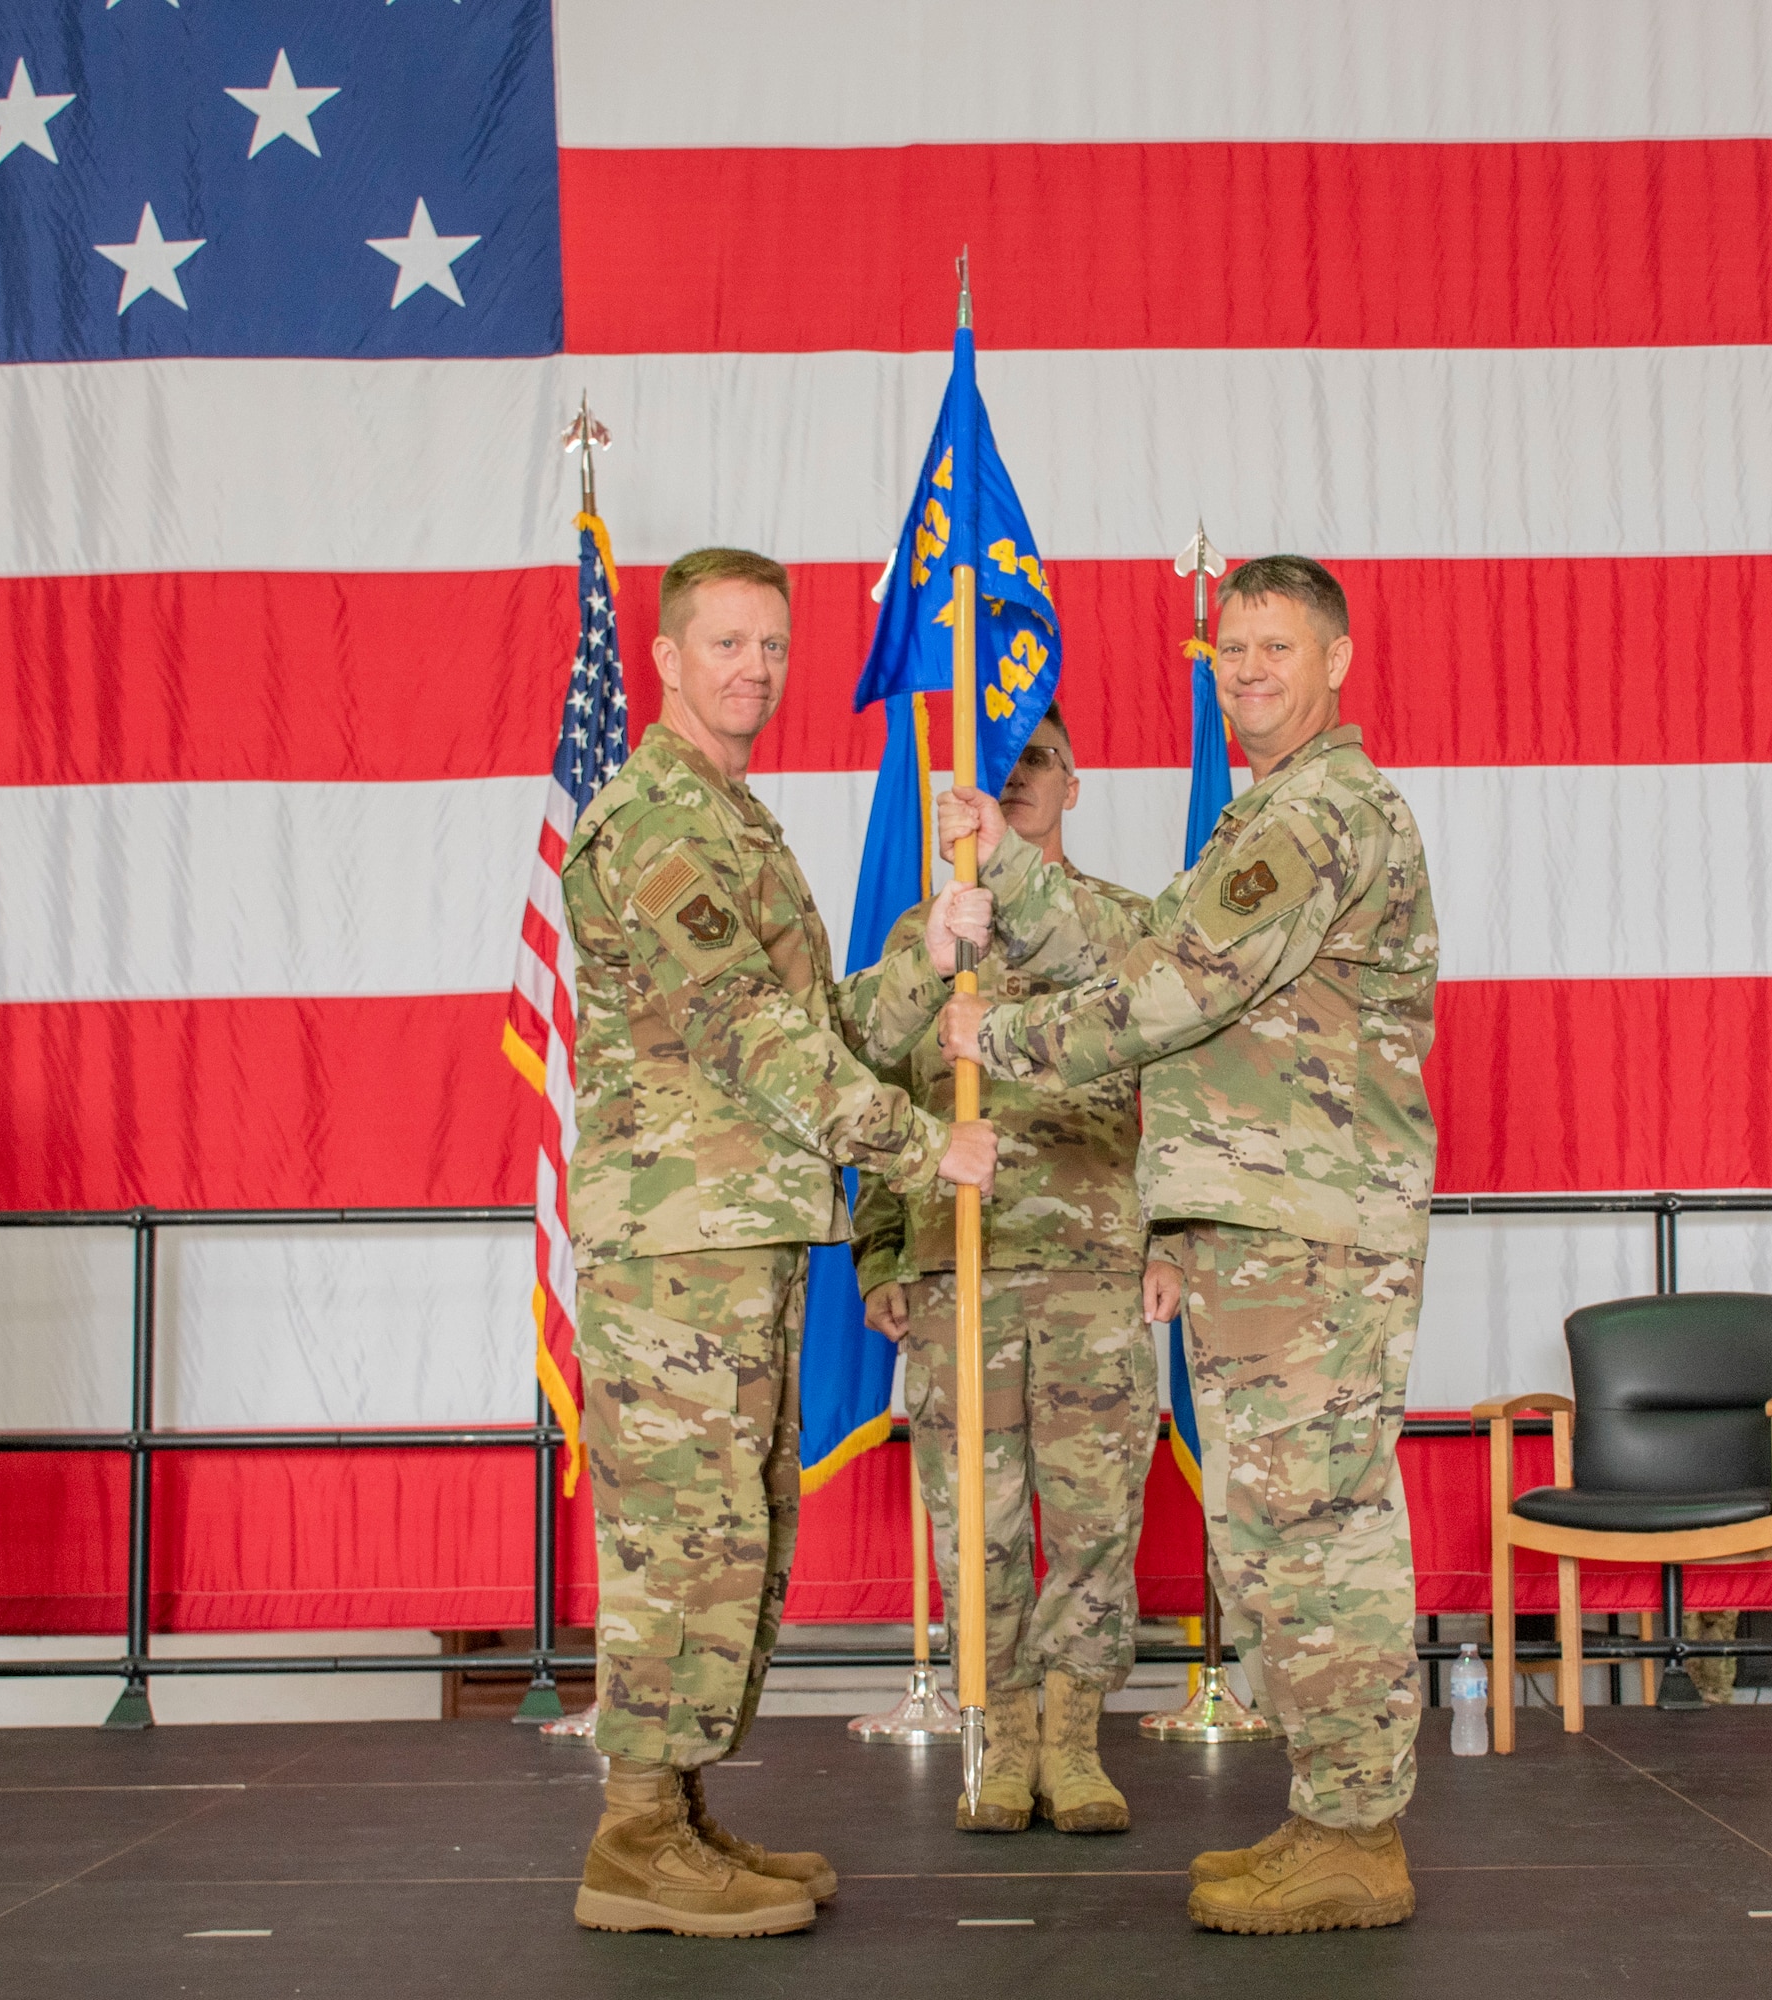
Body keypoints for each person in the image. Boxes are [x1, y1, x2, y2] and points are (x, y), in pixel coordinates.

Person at [934, 555, 1438, 1936]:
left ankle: (1358, 1832)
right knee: (1276, 1537)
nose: (1250, 670)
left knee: (1317, 1534)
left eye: (1278, 646)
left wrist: (1009, 1034)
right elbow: (1158, 930)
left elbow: (1174, 987)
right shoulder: (1264, 820)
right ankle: (1329, 1815)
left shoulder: (1321, 813)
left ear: (1336, 658)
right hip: (1267, 1227)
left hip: (1307, 1234)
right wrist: (1019, 865)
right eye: (1231, 649)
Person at [560, 546, 998, 1938]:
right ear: (669, 661)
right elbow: (751, 1042)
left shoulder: (735, 820)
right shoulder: (655, 824)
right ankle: (631, 1836)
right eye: (728, 644)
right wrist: (929, 1145)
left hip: (735, 1237)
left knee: (735, 1528)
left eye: (773, 646)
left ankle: (677, 1808)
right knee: (681, 1538)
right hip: (675, 1245)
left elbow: (806, 1027)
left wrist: (925, 953)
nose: (754, 669)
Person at [854, 702, 1157, 1836]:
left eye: (1038, 762)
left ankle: (1075, 1744)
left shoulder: (1127, 928)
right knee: (973, 1520)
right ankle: (1004, 1738)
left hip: (1092, 1269)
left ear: (1073, 786)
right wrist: (881, 1246)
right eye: (999, 766)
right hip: (957, 1266)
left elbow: (1176, 1091)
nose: (1017, 780)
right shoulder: (921, 936)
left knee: (1091, 1517)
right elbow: (878, 1091)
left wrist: (1171, 1237)